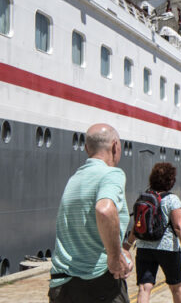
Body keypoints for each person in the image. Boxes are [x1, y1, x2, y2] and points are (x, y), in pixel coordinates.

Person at [48, 123, 132, 303]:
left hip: (62, 286)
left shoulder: (74, 179)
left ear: (86, 149)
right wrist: (115, 257)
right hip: (99, 286)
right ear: (115, 146)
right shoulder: (111, 174)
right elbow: (105, 210)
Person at [125, 162, 181, 303]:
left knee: (144, 287)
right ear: (171, 181)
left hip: (144, 247)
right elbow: (177, 227)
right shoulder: (172, 200)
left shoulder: (143, 198)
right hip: (168, 248)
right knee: (176, 287)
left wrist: (127, 244)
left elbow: (137, 226)